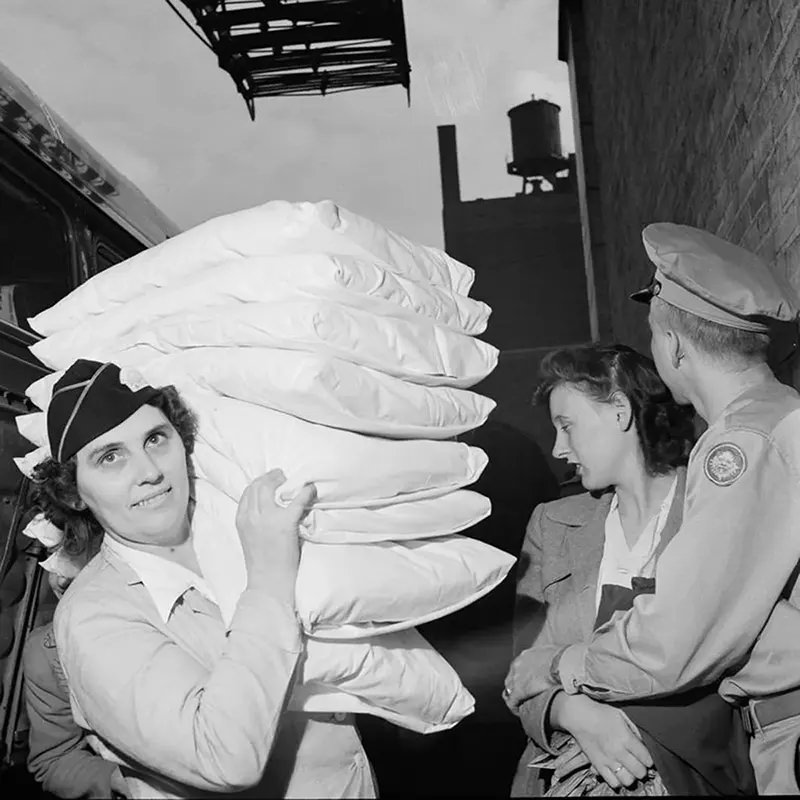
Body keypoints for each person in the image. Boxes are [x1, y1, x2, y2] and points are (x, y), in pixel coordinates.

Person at [505, 223, 800, 794]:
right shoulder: (779, 417)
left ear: (675, 344)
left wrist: (562, 664)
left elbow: (675, 641)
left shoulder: (740, 445)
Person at [31, 358, 376, 798]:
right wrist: (270, 576)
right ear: (73, 492)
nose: (150, 471)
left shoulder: (235, 528)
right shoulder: (92, 616)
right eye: (111, 457)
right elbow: (224, 757)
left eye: (155, 439)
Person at [508, 343, 754, 796]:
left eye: (567, 427)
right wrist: (575, 714)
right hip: (563, 779)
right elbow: (522, 676)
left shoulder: (713, 511)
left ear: (619, 410)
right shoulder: (553, 524)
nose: (558, 449)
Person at [24, 550, 130, 799]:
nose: (60, 579)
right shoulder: (48, 652)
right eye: (53, 554)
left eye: (79, 553)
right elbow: (56, 758)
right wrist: (117, 779)